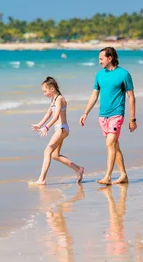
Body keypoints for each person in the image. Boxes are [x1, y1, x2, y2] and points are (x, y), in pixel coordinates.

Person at [79, 47, 137, 185]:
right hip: (103, 116)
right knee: (114, 145)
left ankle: (108, 176)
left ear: (110, 58)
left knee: (109, 143)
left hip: (117, 114)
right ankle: (123, 175)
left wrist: (132, 118)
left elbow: (131, 97)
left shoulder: (124, 74)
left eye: (101, 59)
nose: (99, 62)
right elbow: (94, 95)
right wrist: (85, 112)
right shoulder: (99, 75)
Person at [30, 76, 84, 185]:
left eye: (45, 91)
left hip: (61, 128)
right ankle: (78, 169)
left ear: (52, 89)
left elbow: (55, 117)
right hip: (59, 129)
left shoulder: (59, 99)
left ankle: (42, 179)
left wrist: (46, 127)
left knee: (47, 151)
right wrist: (39, 124)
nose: (44, 93)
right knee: (55, 155)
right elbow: (48, 114)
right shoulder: (53, 99)